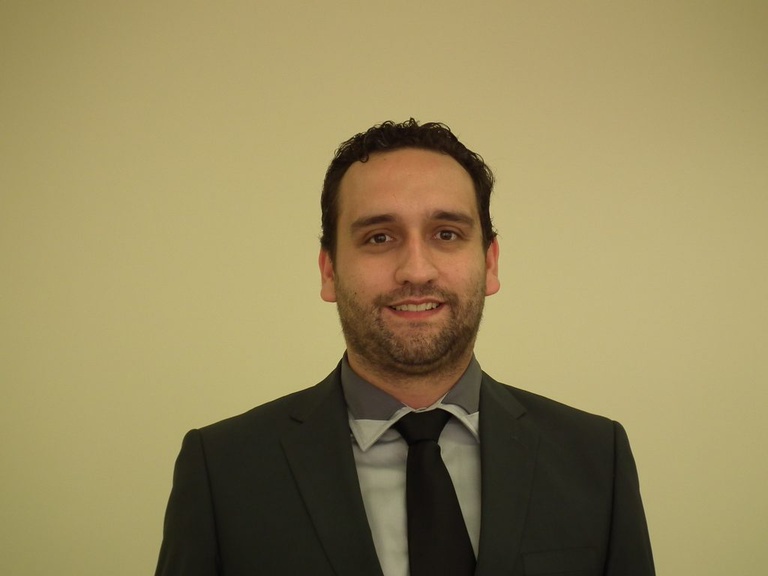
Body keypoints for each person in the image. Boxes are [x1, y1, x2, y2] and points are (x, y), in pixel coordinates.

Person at [155, 119, 655, 576]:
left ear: (490, 263)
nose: (416, 270)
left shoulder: (596, 458)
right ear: (329, 271)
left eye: (446, 233)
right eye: (379, 237)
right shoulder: (222, 471)